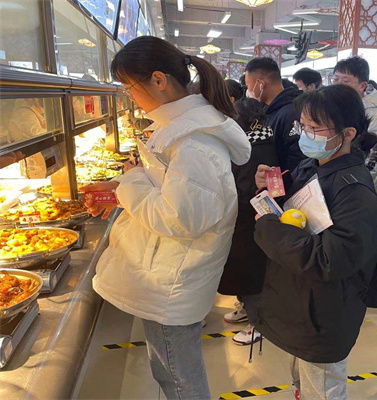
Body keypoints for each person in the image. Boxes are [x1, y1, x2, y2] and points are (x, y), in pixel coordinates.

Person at [86, 36, 251, 399]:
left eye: (130, 86)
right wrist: (122, 185)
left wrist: (128, 184)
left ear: (159, 80)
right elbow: (172, 189)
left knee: (179, 379)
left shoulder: (194, 143)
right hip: (169, 273)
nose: (129, 96)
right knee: (170, 372)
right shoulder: (182, 130)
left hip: (174, 281)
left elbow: (180, 219)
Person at [253, 85, 377, 399]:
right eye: (302, 126)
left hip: (325, 311)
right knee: (303, 377)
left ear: (348, 133)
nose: (305, 135)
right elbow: (297, 214)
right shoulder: (312, 166)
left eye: (314, 128)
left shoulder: (355, 192)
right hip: (302, 300)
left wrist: (269, 228)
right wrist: (271, 191)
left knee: (322, 386)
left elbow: (329, 260)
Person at [218, 97, 278, 345]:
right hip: (245, 220)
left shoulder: (255, 148)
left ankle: (260, 323)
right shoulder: (259, 140)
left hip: (249, 222)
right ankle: (248, 310)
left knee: (251, 277)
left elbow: (259, 190)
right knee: (245, 276)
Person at [333, 56, 377, 198]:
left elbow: (375, 160)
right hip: (337, 182)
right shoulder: (341, 106)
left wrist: (353, 184)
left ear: (362, 86)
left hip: (359, 188)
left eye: (345, 81)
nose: (338, 85)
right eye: (335, 79)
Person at [245, 57, 305, 172]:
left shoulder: (291, 113)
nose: (248, 91)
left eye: (248, 85)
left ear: (260, 84)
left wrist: (284, 179)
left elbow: (296, 157)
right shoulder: (267, 110)